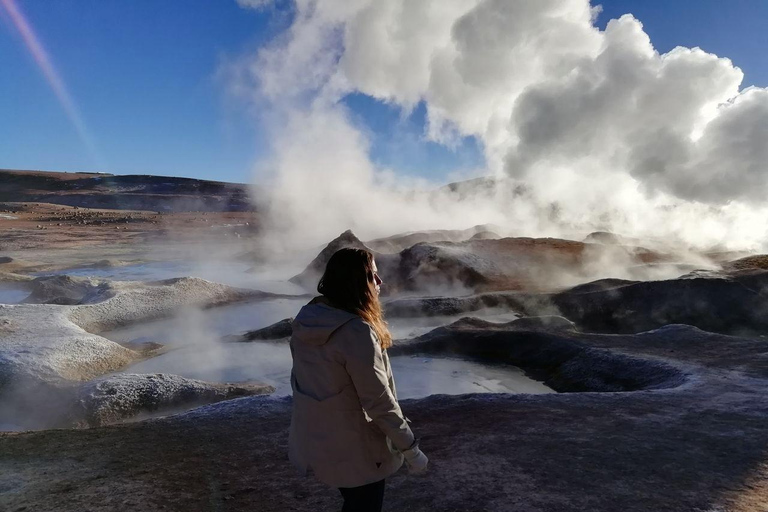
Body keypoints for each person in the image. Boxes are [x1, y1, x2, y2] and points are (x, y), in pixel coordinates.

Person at [288, 247, 428, 512]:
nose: (380, 282)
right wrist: (411, 449)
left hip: (321, 438)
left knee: (354, 503)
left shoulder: (308, 319)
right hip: (356, 447)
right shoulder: (356, 332)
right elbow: (378, 401)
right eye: (373, 276)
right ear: (357, 282)